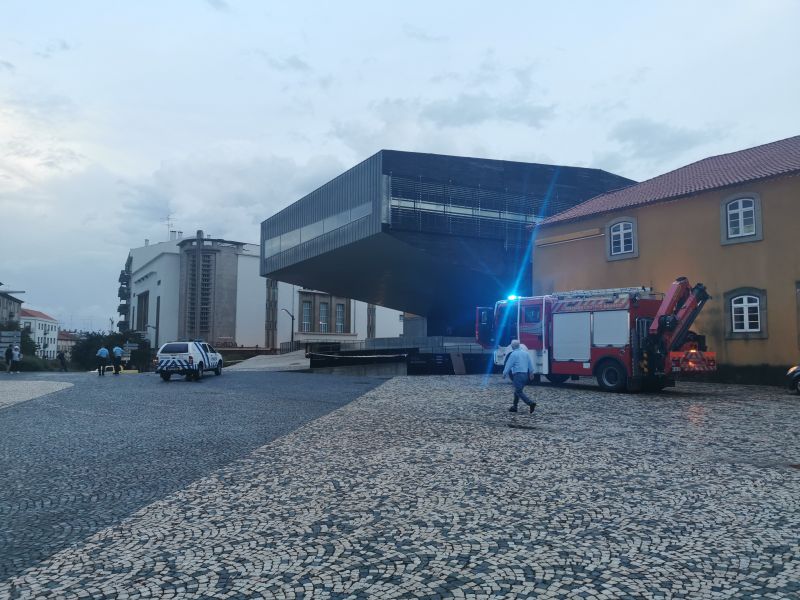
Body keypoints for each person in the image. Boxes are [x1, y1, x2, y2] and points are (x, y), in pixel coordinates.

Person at [502, 340, 536, 414]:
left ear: (512, 346)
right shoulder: (526, 353)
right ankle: (514, 407)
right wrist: (531, 373)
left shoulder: (513, 354)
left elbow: (509, 364)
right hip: (525, 375)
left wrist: (504, 373)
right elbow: (530, 363)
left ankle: (530, 403)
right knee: (517, 391)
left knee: (518, 391)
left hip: (518, 375)